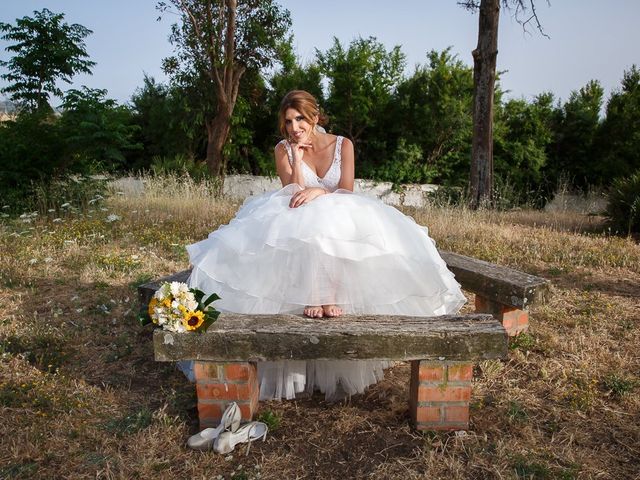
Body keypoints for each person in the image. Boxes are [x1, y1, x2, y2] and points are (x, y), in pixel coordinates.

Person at [186, 90, 466, 401]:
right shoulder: (283, 149)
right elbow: (292, 192)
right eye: (288, 122)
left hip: (339, 209)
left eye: (300, 119)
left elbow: (346, 189)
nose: (294, 128)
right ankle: (312, 295)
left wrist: (321, 193)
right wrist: (296, 158)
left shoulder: (343, 144)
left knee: (331, 217)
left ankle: (329, 295)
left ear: (315, 118)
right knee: (305, 220)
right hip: (298, 211)